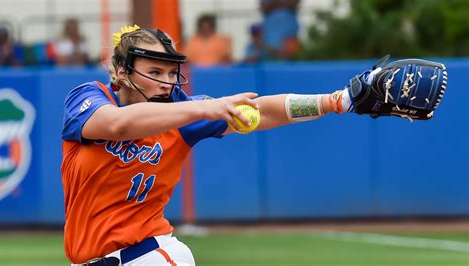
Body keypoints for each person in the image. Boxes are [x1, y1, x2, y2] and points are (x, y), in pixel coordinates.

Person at [61, 25, 432, 265]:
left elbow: (263, 111)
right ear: (121, 71)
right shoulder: (89, 99)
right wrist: (202, 107)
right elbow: (119, 125)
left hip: (149, 258)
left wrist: (336, 100)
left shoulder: (185, 114)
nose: (166, 81)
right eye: (153, 71)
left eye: (171, 72)